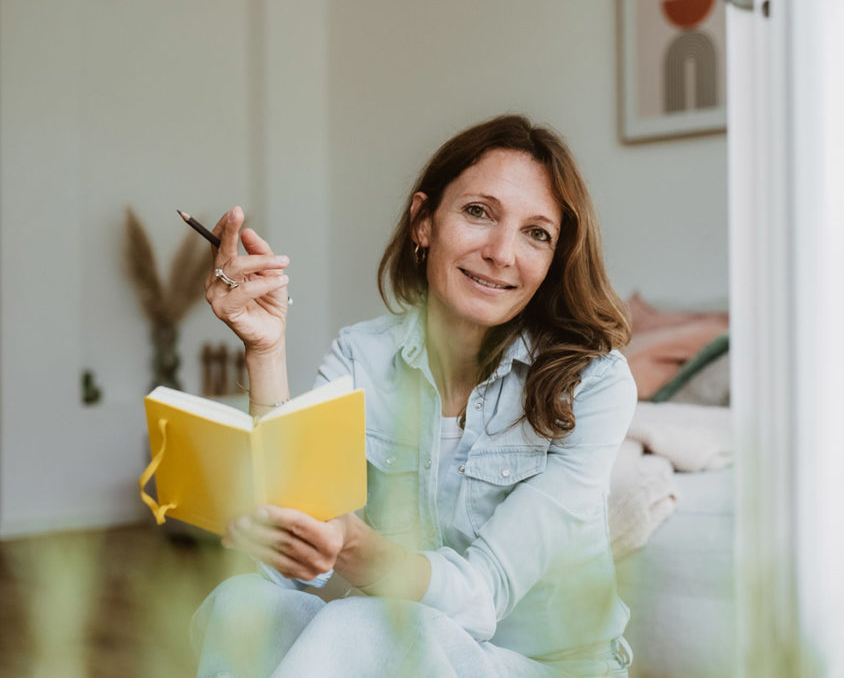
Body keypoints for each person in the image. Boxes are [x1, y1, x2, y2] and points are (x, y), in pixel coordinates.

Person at [191, 115, 637, 677]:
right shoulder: (362, 355)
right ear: (424, 222)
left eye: (536, 233)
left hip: (546, 665)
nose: (502, 252)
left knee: (364, 623)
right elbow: (290, 568)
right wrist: (266, 351)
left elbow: (483, 596)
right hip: (415, 644)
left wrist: (353, 546)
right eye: (480, 212)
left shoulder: (594, 385)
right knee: (243, 607)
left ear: (552, 261)